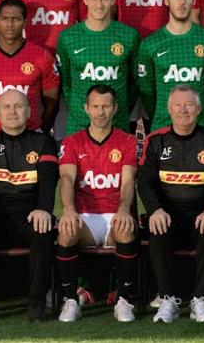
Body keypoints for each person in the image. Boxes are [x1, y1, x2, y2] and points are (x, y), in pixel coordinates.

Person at [0, 90, 59, 321]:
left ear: (29, 112)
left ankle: (37, 302)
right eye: (6, 107)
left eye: (18, 106)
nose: (12, 111)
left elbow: (49, 179)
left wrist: (44, 209)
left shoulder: (44, 142)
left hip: (29, 218)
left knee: (43, 228)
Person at [138, 86, 204, 323]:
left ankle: (201, 300)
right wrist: (155, 210)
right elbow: (144, 182)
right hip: (167, 215)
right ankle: (168, 299)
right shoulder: (156, 140)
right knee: (157, 229)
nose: (183, 110)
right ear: (169, 109)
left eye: (189, 105)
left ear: (199, 109)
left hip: (201, 215)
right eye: (177, 105)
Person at [55, 85, 141, 322]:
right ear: (86, 108)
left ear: (115, 109)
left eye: (105, 106)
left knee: (125, 229)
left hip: (114, 214)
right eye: (95, 106)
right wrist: (69, 211)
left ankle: (123, 300)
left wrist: (124, 210)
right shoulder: (72, 142)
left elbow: (128, 182)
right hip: (85, 216)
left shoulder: (127, 141)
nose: (100, 112)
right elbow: (67, 179)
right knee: (66, 232)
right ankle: (71, 299)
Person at [55, 0, 139, 135]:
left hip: (117, 124)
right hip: (78, 126)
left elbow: (134, 83)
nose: (99, 5)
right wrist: (79, 110)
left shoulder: (129, 36)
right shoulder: (67, 37)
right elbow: (65, 84)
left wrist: (120, 109)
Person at [136, 0, 204, 131]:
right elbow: (147, 92)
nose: (182, 2)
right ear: (166, 0)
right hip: (162, 127)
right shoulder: (150, 44)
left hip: (201, 128)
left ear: (194, 0)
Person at [0, 0, 60, 136]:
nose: (10, 24)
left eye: (16, 19)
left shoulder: (42, 56)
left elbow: (52, 104)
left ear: (25, 22)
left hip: (30, 134)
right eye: (5, 19)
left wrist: (39, 133)